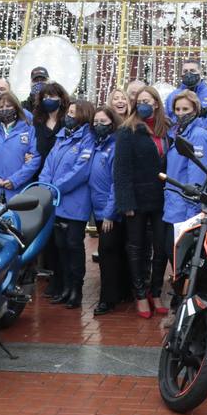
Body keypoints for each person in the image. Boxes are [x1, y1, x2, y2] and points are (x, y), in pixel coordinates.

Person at [113, 85, 170, 318]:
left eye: (148, 100)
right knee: (136, 247)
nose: (143, 104)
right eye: (139, 100)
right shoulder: (128, 130)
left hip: (162, 199)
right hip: (137, 199)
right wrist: (125, 202)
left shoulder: (165, 128)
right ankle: (139, 294)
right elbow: (121, 170)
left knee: (161, 247)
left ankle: (155, 291)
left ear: (156, 103)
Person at [40, 98, 96, 309]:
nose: (69, 116)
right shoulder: (62, 137)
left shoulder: (88, 139)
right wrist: (46, 185)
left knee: (73, 245)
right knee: (60, 245)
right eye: (68, 112)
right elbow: (48, 165)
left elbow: (80, 171)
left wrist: (55, 188)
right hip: (55, 202)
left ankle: (76, 289)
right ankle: (64, 287)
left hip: (75, 202)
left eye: (74, 113)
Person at [163, 91, 207, 309]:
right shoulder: (177, 132)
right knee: (175, 257)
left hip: (185, 208)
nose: (181, 113)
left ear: (195, 109)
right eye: (178, 109)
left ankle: (185, 303)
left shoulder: (198, 135)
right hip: (172, 204)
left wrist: (191, 213)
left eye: (186, 109)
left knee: (184, 259)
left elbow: (196, 178)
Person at [87, 106, 128, 315]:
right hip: (97, 207)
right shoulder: (96, 144)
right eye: (95, 122)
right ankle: (117, 293)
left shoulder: (116, 145)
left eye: (103, 122)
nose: (98, 125)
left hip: (109, 211)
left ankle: (108, 299)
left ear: (112, 123)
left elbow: (116, 182)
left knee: (107, 253)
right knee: (111, 254)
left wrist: (110, 213)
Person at [0, 90, 34, 185]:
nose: (4, 109)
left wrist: (15, 180)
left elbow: (35, 159)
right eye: (1, 107)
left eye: (8, 106)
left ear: (16, 107)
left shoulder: (29, 129)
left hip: (20, 190)